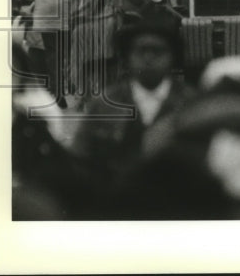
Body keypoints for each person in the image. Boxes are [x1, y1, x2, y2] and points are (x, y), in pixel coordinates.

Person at [73, 13, 191, 189]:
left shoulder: (191, 102)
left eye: (158, 51)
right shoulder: (104, 104)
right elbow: (80, 159)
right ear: (128, 58)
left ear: (172, 57)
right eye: (141, 51)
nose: (149, 58)